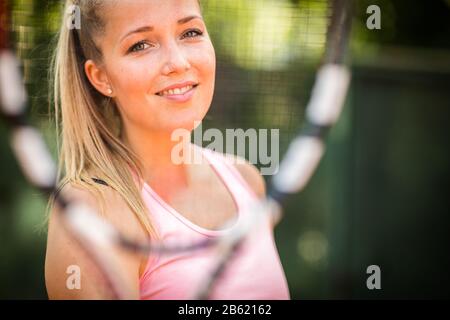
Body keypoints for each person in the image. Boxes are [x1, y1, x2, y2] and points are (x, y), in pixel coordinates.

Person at [45, 0, 290, 300]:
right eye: (140, 45)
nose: (178, 62)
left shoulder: (247, 181)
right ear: (101, 77)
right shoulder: (91, 212)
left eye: (190, 32)